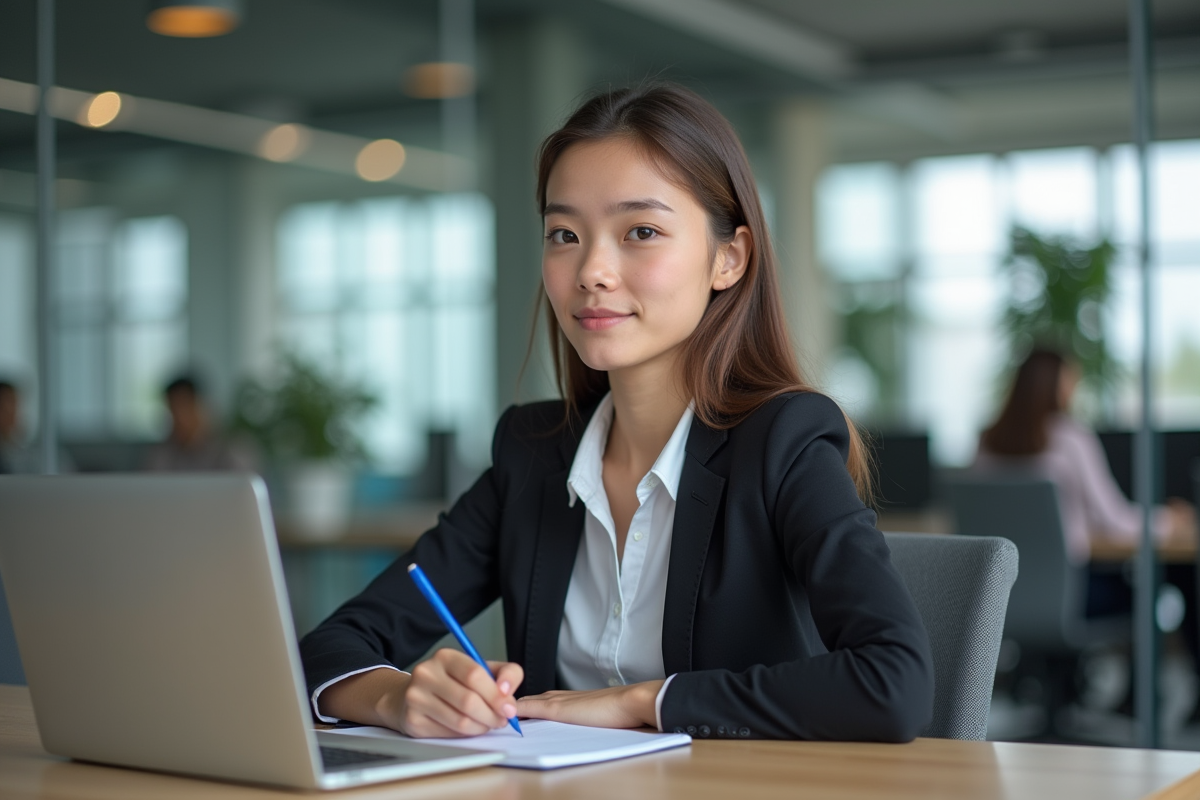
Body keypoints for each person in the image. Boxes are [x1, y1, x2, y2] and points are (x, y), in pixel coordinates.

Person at [299, 84, 934, 742]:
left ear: (728, 258)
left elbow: (894, 683)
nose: (592, 271)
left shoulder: (783, 443)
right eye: (565, 234)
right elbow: (328, 648)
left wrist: (641, 703)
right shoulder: (534, 454)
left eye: (641, 232)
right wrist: (398, 698)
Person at [974, 349, 1194, 616]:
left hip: (1000, 599)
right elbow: (1116, 520)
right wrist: (1169, 520)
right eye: (1070, 381)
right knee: (1177, 578)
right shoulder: (1071, 439)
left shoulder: (986, 444)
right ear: (1056, 386)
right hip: (1073, 596)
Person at [144, 375, 258, 472]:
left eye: (183, 408)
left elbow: (241, 491)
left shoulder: (234, 448)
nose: (178, 418)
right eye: (172, 411)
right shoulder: (163, 453)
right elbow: (149, 488)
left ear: (200, 406)